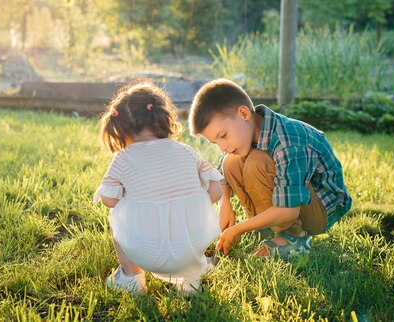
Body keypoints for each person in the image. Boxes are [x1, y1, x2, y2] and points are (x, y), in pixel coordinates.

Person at [188, 78, 352, 260]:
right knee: (230, 162)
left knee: (256, 162)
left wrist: (239, 228)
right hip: (292, 203)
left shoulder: (287, 142)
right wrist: (225, 202)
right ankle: (265, 229)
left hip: (319, 208)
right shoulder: (249, 132)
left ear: (243, 113)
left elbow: (289, 210)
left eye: (223, 136)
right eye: (216, 142)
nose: (223, 146)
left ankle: (294, 238)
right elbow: (223, 172)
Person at [94, 80, 223, 295]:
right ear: (163, 120)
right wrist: (191, 201)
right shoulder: (186, 151)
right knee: (188, 208)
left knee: (117, 214)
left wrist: (135, 198)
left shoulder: (124, 158)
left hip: (146, 254)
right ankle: (189, 280)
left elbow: (109, 200)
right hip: (192, 248)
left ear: (122, 127)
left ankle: (131, 277)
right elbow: (216, 191)